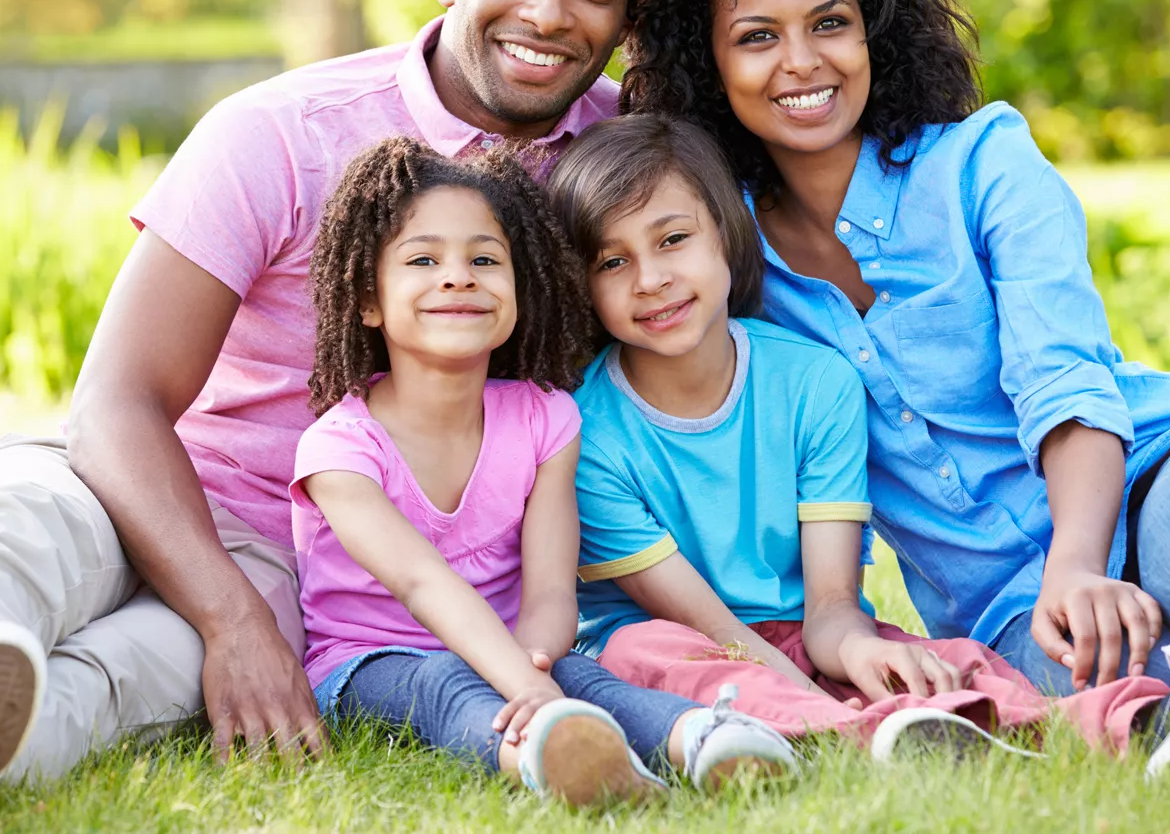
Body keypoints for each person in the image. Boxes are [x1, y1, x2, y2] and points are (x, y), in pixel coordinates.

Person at [0, 0, 646, 813]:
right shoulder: (282, 130)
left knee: (124, 678)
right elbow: (117, 401)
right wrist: (231, 620)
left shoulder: (617, 170)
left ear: (626, 13)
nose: (548, 12)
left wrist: (244, 614)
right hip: (125, 475)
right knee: (9, 535)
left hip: (279, 548)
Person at [617, 0, 1170, 773]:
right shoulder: (722, 261)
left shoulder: (985, 164)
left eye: (830, 23)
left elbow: (1064, 379)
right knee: (1088, 692)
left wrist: (1077, 564)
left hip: (1158, 478)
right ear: (709, 66)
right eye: (757, 37)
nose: (802, 61)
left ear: (874, 30)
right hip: (1001, 605)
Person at [545, 112, 1170, 762]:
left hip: (801, 635)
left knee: (940, 660)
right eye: (612, 261)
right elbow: (715, 629)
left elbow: (831, 608)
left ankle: (1127, 721)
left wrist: (859, 653)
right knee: (647, 651)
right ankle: (872, 737)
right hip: (681, 649)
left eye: (673, 239)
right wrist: (821, 697)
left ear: (727, 233)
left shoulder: (815, 381)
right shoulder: (586, 433)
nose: (650, 279)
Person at [291, 136, 795, 805]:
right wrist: (525, 685)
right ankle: (548, 751)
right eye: (422, 259)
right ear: (367, 300)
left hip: (513, 645)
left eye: (483, 259)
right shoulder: (340, 448)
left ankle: (704, 736)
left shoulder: (546, 420)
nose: (458, 276)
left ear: (519, 287)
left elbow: (555, 589)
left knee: (588, 677)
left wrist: (536, 659)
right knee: (445, 684)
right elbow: (422, 584)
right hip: (371, 663)